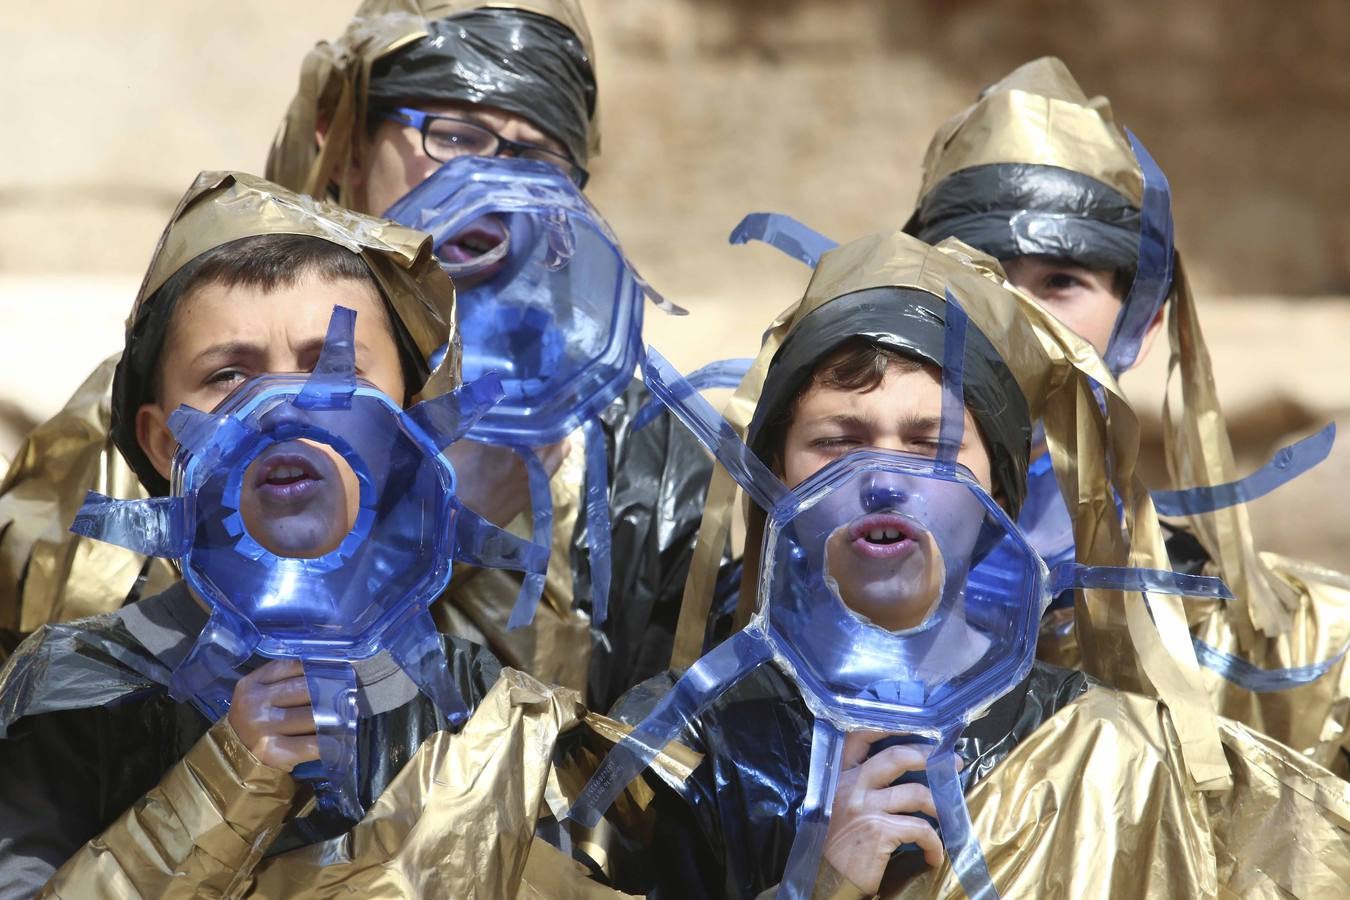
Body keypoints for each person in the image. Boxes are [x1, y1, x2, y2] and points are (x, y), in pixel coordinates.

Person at [0, 0, 716, 711]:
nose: (495, 192)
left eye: (535, 158)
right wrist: (403, 530)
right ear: (341, 144)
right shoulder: (152, 426)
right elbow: (73, 723)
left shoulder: (638, 452)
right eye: (455, 137)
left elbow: (686, 769)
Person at [597, 230, 1350, 899]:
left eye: (933, 444)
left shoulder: (1107, 747)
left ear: (1000, 487)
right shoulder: (675, 745)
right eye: (838, 441)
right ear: (774, 476)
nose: (884, 479)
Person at [0, 172, 617, 899]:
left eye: (332, 367)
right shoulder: (82, 687)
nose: (286, 411)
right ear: (165, 441)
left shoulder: (486, 715)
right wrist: (227, 780)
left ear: (407, 426)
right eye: (230, 376)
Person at [907, 56, 1350, 775]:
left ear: (1141, 325)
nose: (1014, 318)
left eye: (1061, 283)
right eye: (975, 273)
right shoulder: (819, 598)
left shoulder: (1283, 650)